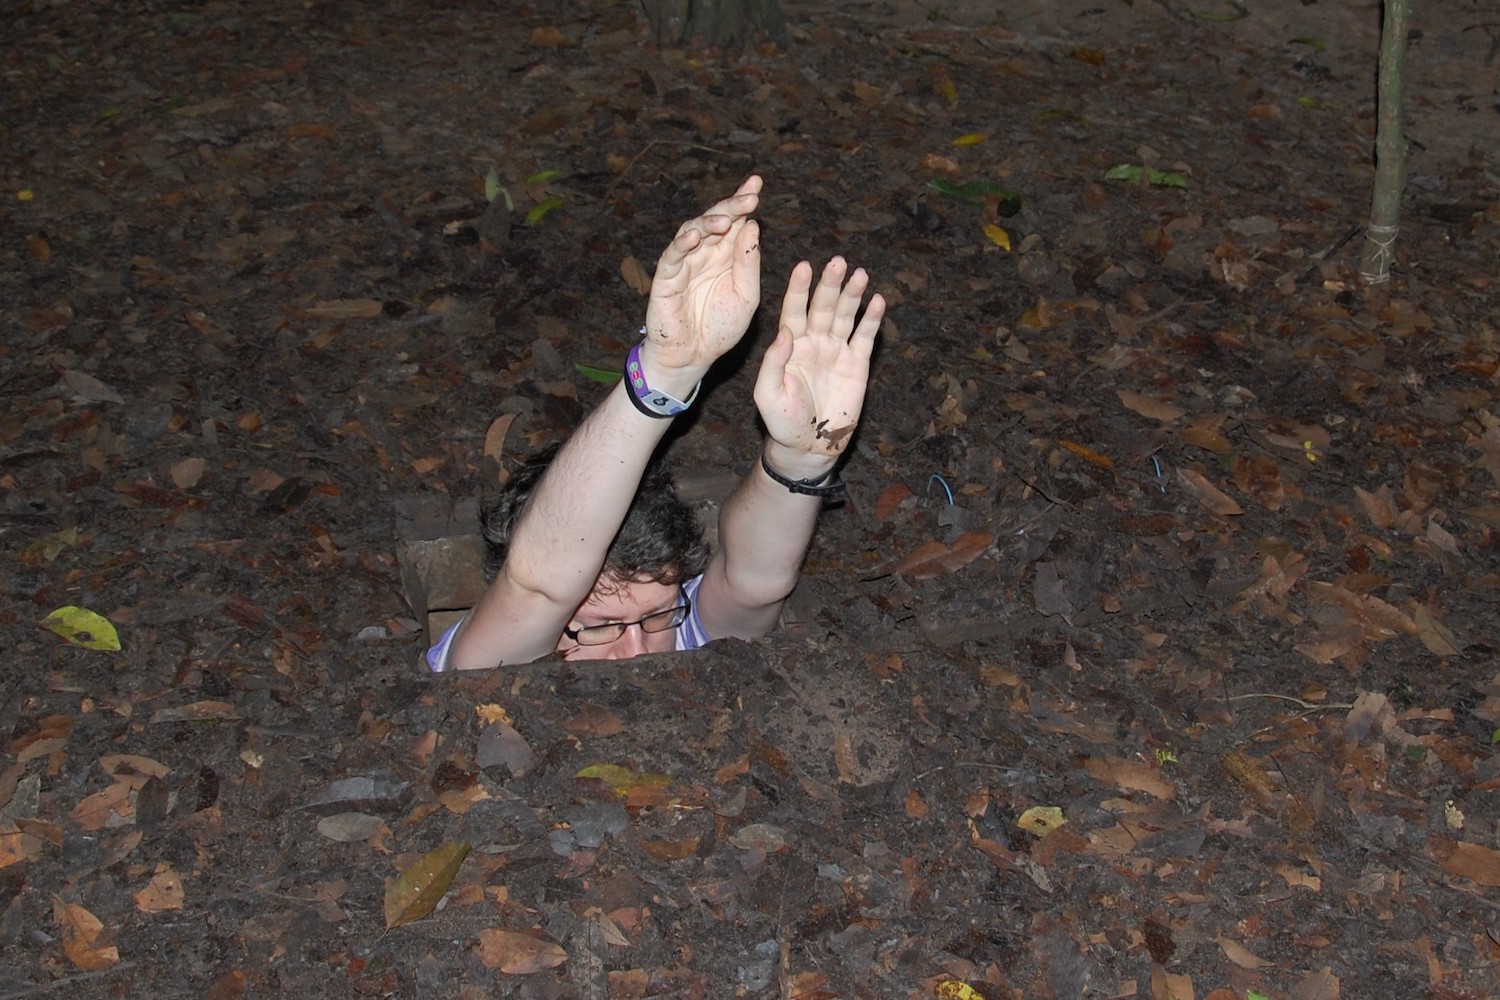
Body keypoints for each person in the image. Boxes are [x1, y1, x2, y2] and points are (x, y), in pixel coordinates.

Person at [427, 175, 885, 671]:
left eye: (655, 618)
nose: (635, 654)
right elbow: (539, 583)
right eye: (599, 626)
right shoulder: (484, 661)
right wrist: (664, 375)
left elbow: (755, 587)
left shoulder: (683, 625)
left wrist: (800, 461)